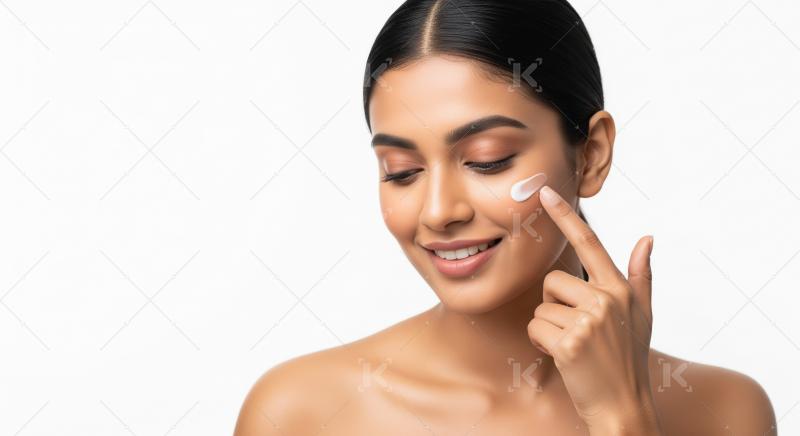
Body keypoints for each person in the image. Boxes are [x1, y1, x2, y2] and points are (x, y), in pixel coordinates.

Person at [235, 1, 776, 434]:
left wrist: (620, 418)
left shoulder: (725, 412)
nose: (439, 211)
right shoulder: (296, 412)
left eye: (487, 159)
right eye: (401, 170)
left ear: (591, 155)